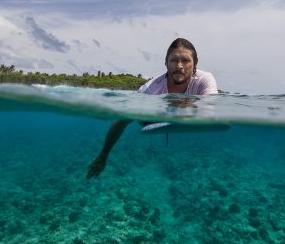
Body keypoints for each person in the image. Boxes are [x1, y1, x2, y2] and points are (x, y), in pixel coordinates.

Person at [86, 38, 218, 178]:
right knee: (139, 119)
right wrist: (103, 154)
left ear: (195, 63)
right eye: (173, 60)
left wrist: (188, 109)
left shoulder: (205, 80)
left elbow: (210, 109)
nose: (179, 66)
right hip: (156, 115)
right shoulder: (150, 89)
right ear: (166, 63)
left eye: (185, 60)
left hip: (184, 115)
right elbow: (121, 120)